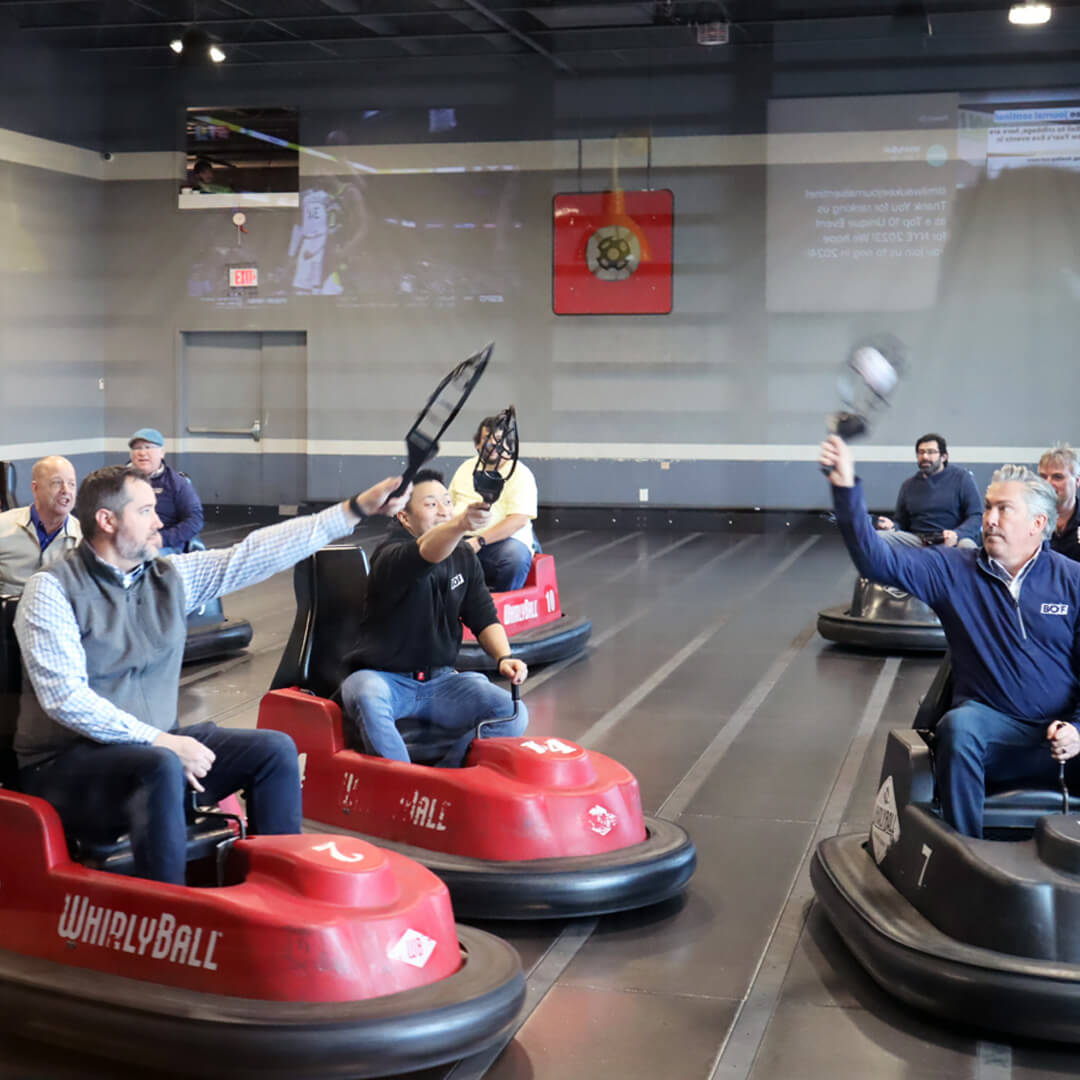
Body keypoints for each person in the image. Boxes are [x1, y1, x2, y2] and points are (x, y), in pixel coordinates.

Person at [14, 464, 408, 883]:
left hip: (153, 749)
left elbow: (252, 555)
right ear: (107, 520)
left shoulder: (168, 576)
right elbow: (65, 699)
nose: (160, 520)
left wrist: (352, 511)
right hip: (66, 767)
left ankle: (279, 889)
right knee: (160, 766)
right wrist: (161, 741)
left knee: (273, 751)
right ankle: (168, 917)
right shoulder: (52, 590)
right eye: (145, 511)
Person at [821, 434, 1080, 839]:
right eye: (989, 508)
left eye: (1003, 509)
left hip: (1063, 734)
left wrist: (1078, 729)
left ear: (1037, 523)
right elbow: (874, 557)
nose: (989, 519)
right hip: (994, 731)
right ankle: (965, 855)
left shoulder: (1072, 579)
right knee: (960, 728)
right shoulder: (954, 570)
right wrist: (845, 489)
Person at [340, 468, 529, 768]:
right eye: (431, 505)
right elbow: (426, 553)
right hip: (387, 680)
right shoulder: (391, 555)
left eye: (447, 502)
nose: (444, 511)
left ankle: (446, 777)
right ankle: (403, 786)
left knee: (512, 712)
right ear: (404, 517)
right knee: (365, 692)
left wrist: (504, 657)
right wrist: (459, 525)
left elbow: (483, 615)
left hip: (442, 682)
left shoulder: (464, 556)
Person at [449, 415, 539, 591]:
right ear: (478, 444)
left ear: (509, 447)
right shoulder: (466, 468)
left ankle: (496, 609)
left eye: (498, 440)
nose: (492, 445)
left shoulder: (520, 473)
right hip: (462, 539)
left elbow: (518, 519)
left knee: (514, 558)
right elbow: (448, 505)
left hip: (500, 543)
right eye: (486, 439)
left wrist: (479, 541)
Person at [875, 433, 981, 549]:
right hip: (918, 540)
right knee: (878, 537)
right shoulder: (908, 485)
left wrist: (957, 534)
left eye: (931, 452)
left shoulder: (962, 478)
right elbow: (901, 522)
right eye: (921, 452)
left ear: (944, 456)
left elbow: (975, 516)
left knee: (967, 546)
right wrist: (892, 526)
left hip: (952, 540)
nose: (925, 456)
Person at [0, 456, 81, 594]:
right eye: (57, 483)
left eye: (72, 484)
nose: (66, 490)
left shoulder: (84, 537)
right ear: (35, 488)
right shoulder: (3, 525)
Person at [128, 428, 204, 555]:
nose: (142, 452)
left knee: (143, 560)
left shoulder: (177, 483)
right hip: (127, 540)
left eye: (148, 447)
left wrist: (163, 539)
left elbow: (195, 519)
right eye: (137, 448)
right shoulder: (118, 480)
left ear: (162, 453)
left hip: (164, 543)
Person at [1038, 442, 1080, 562]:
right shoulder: (1027, 521)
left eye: (1057, 477)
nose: (1048, 483)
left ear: (1077, 481)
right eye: (1043, 477)